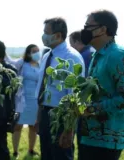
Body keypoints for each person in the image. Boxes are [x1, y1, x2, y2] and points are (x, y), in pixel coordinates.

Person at [34, 17, 85, 160]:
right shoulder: (47, 56)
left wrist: (69, 129)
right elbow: (43, 89)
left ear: (57, 35)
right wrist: (39, 117)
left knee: (61, 155)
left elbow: (74, 96)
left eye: (46, 32)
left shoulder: (72, 58)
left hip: (61, 116)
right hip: (45, 114)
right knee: (47, 155)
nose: (43, 36)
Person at [78, 10, 124, 160]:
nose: (84, 30)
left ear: (103, 29)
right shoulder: (97, 55)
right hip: (89, 135)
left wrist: (93, 108)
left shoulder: (118, 56)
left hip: (108, 139)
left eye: (88, 26)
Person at [9, 44, 41, 158]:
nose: (37, 53)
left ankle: (31, 149)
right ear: (28, 53)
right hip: (22, 99)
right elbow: (9, 63)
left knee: (33, 126)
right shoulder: (22, 63)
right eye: (34, 51)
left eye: (38, 51)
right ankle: (15, 151)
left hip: (35, 101)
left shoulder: (40, 65)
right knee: (18, 125)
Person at [69, 30, 96, 158]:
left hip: (85, 107)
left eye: (71, 44)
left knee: (82, 145)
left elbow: (79, 83)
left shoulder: (83, 56)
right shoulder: (92, 52)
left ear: (76, 42)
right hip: (94, 108)